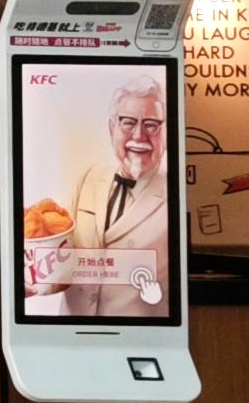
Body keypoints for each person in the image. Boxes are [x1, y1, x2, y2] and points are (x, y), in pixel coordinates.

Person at [63, 76, 175, 320]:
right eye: (128, 122)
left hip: (138, 335)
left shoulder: (174, 193)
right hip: (71, 331)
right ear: (112, 128)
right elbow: (63, 252)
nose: (139, 135)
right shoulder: (89, 177)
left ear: (167, 133)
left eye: (151, 125)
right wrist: (28, 280)